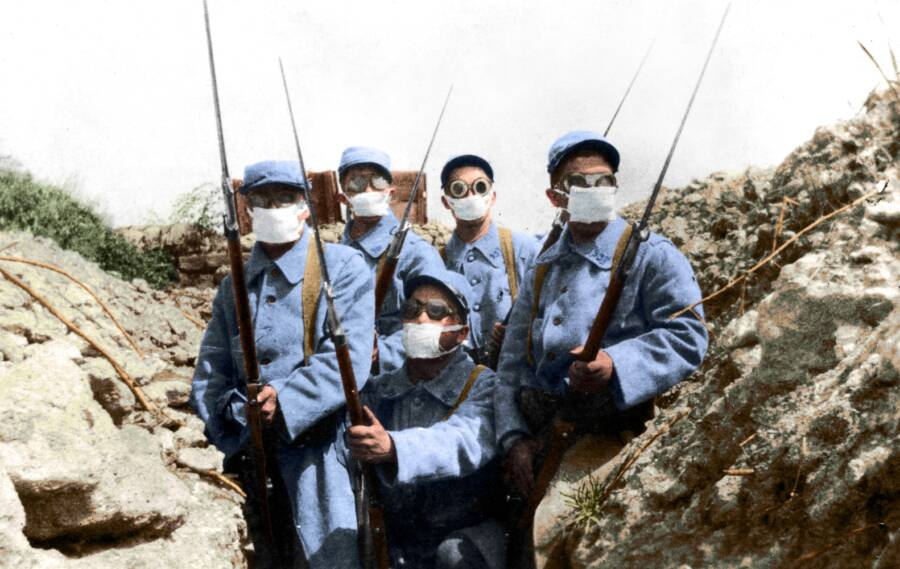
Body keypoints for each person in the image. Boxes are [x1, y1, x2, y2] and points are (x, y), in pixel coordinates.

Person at [494, 130, 709, 539]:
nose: (593, 190)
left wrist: (616, 364)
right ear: (555, 197)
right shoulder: (545, 264)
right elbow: (512, 363)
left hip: (608, 431)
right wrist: (514, 439)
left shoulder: (650, 254)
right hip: (539, 431)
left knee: (552, 532)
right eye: (579, 183)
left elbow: (688, 334)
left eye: (603, 180)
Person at [190, 160, 374, 569]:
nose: (274, 208)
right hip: (248, 453)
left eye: (285, 198)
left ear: (305, 206)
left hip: (320, 452)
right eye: (262, 200)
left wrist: (284, 399)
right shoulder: (234, 286)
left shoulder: (341, 267)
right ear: (247, 210)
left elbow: (348, 360)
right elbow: (210, 373)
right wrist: (233, 419)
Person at [348, 270, 505, 569]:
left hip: (465, 535)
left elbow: (462, 440)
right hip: (400, 540)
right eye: (412, 309)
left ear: (462, 333)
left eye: (436, 311)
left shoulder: (483, 384)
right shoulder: (380, 389)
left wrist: (394, 447)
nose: (420, 319)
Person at [338, 146, 445, 373]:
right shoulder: (333, 255)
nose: (368, 189)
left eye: (377, 181)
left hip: (396, 376)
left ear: (391, 192)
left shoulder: (417, 253)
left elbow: (435, 326)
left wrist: (383, 353)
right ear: (343, 197)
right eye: (356, 183)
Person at [438, 154, 541, 367]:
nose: (471, 195)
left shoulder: (524, 249)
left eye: (480, 187)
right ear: (446, 202)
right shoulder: (437, 261)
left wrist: (520, 335)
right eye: (459, 189)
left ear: (492, 196)